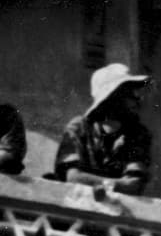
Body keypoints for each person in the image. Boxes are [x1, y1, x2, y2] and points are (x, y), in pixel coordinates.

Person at [54, 63, 153, 194]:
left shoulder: (137, 134)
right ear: (111, 98)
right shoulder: (79, 127)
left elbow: (134, 185)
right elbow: (73, 178)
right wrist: (115, 185)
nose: (137, 99)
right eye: (129, 93)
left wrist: (95, 184)